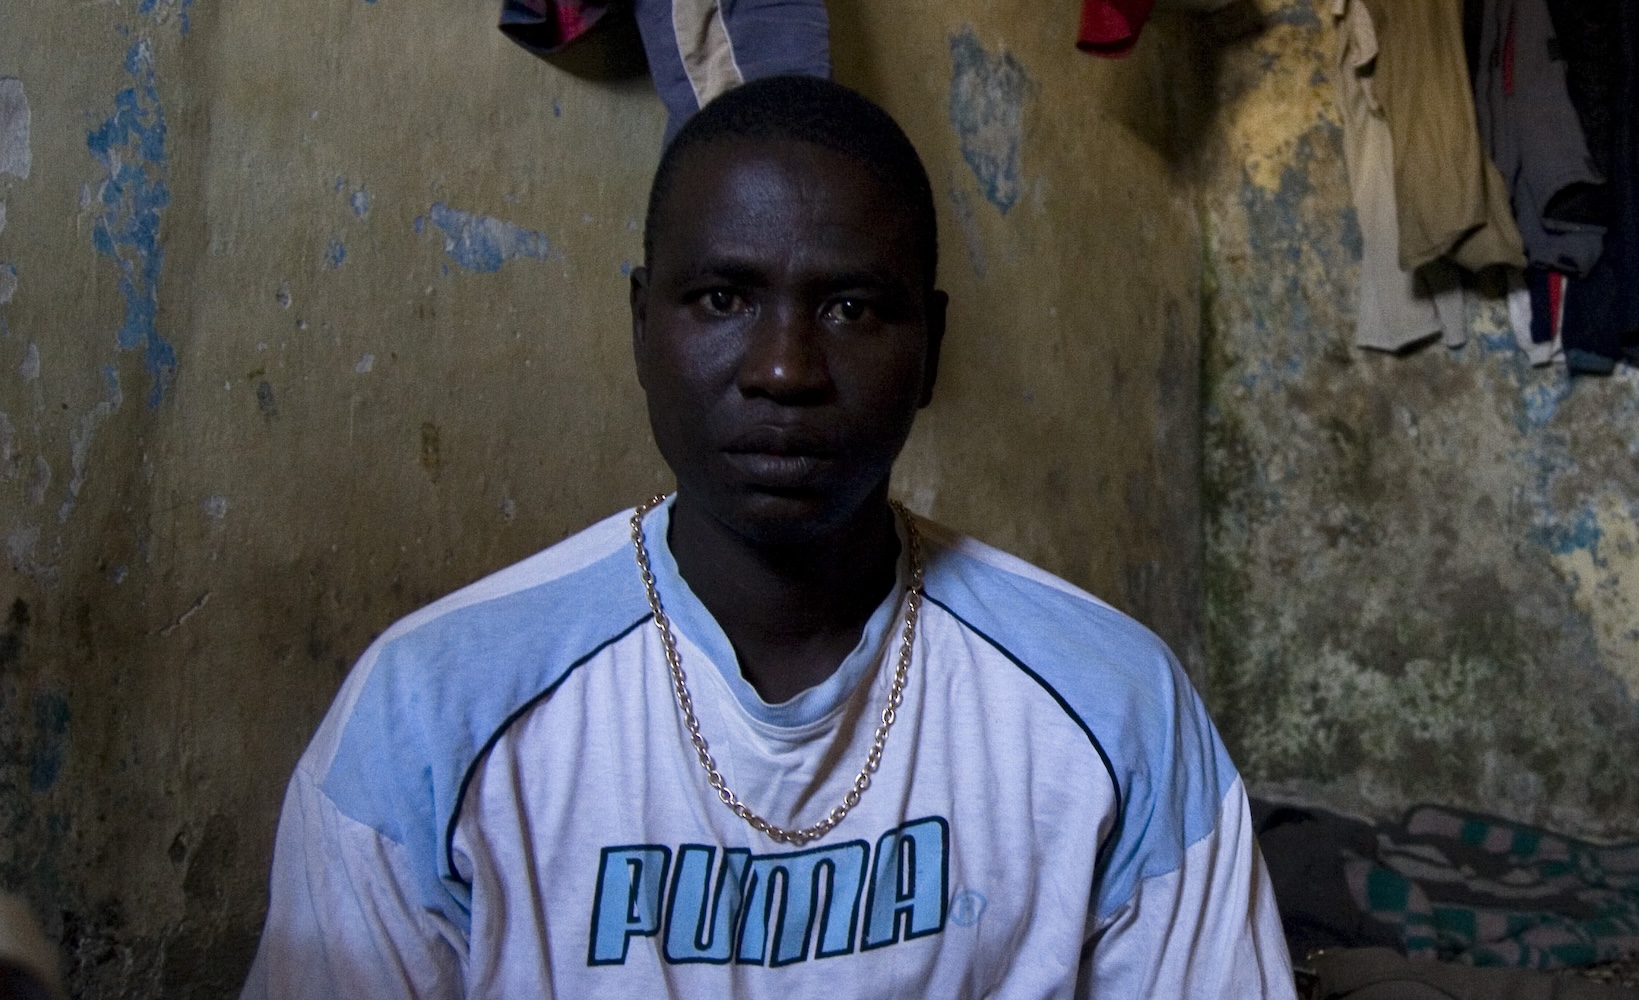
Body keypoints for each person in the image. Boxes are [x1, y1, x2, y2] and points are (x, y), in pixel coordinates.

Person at [241, 75, 1294, 998]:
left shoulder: (1113, 708)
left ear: (931, 352)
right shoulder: (428, 714)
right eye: (722, 297)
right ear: (642, 328)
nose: (784, 368)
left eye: (849, 308)